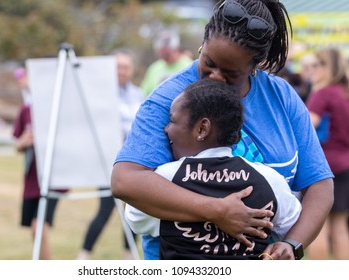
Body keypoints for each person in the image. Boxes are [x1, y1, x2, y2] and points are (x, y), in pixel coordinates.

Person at [111, 0, 334, 260]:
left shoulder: (281, 97)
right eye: (208, 62)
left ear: (254, 67)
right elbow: (126, 180)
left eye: (230, 73)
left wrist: (292, 244)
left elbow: (319, 184)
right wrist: (216, 210)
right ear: (202, 45)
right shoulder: (170, 100)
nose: (215, 76)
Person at [125, 79, 302, 259]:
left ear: (202, 129)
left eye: (172, 120)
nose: (166, 129)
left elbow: (135, 219)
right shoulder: (270, 180)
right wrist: (288, 245)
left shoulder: (165, 179)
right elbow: (294, 223)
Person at [76, 49, 144, 260]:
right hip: (109, 162)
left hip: (137, 161)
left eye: (125, 67)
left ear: (131, 70)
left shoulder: (137, 94)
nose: (122, 71)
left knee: (135, 210)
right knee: (105, 210)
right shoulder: (102, 96)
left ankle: (128, 255)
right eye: (118, 67)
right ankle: (84, 254)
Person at [12, 67, 63, 260]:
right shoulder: (26, 109)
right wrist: (23, 142)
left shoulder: (55, 107)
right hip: (32, 178)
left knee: (38, 229)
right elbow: (16, 145)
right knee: (35, 232)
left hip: (53, 178)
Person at [305, 48, 349, 260]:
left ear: (327, 67)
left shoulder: (323, 94)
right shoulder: (344, 93)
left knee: (318, 228)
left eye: (316, 65)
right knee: (340, 227)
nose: (311, 70)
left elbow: (306, 126)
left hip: (323, 167)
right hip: (345, 164)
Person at [140, 30, 193, 96]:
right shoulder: (154, 68)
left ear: (176, 49)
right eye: (160, 52)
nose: (163, 55)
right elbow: (144, 93)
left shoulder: (189, 66)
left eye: (166, 53)